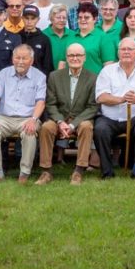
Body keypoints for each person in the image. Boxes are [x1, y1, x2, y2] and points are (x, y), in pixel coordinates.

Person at [92, 38, 135, 179]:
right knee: (100, 129)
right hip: (110, 118)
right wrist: (121, 99)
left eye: (130, 49)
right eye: (123, 49)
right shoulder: (107, 71)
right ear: (118, 53)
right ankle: (107, 171)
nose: (126, 52)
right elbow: (101, 97)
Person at [0, 44, 49, 183]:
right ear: (12, 59)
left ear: (31, 60)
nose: (20, 61)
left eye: (24, 58)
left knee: (29, 132)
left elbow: (41, 102)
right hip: (4, 117)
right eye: (17, 58)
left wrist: (33, 119)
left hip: (28, 118)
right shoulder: (3, 74)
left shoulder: (39, 77)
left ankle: (24, 173)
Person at [39, 42, 98, 184]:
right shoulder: (54, 76)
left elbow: (92, 107)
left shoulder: (93, 78)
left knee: (86, 127)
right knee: (46, 127)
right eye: (71, 55)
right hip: (59, 118)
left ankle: (78, 171)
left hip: (80, 119)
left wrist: (73, 125)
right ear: (66, 57)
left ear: (84, 57)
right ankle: (46, 171)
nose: (75, 58)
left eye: (78, 55)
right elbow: (51, 104)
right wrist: (60, 122)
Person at [19, 6, 54, 74]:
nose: (29, 22)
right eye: (27, 18)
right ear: (22, 18)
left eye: (33, 18)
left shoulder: (44, 39)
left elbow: (48, 65)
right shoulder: (16, 37)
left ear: (38, 19)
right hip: (18, 77)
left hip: (38, 78)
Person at [42, 4, 73, 70]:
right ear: (51, 19)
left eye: (64, 18)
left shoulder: (73, 35)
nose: (61, 20)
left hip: (69, 73)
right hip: (48, 73)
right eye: (58, 17)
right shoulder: (43, 35)